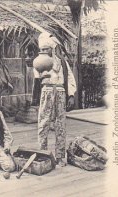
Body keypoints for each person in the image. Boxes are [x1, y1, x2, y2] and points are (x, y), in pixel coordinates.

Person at [31, 32, 77, 167]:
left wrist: (71, 95)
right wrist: (41, 74)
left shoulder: (62, 61)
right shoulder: (39, 62)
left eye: (46, 49)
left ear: (52, 48)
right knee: (43, 123)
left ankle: (60, 156)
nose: (43, 52)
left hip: (61, 93)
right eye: (42, 50)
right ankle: (42, 154)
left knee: (60, 124)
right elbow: (37, 79)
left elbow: (69, 78)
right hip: (47, 93)